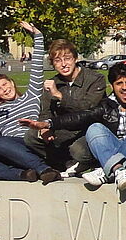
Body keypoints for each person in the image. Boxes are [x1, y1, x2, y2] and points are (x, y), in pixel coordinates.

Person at [56, 61, 126, 190]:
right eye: (119, 83)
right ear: (112, 86)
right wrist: (50, 123)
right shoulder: (106, 105)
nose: (124, 87)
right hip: (121, 164)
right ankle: (118, 170)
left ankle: (108, 170)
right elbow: (81, 117)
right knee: (94, 128)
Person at [0, 22, 63, 183]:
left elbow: (37, 66)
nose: (4, 89)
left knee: (1, 143)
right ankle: (25, 173)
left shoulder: (31, 95)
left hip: (32, 144)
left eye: (5, 84)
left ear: (11, 82)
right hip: (10, 153)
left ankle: (43, 169)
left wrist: (38, 36)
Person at [22, 39, 106, 175]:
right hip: (61, 131)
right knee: (31, 137)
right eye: (57, 61)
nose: (64, 64)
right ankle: (65, 164)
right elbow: (45, 110)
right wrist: (44, 128)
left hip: (86, 130)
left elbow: (88, 108)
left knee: (78, 151)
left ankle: (85, 163)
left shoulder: (95, 79)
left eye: (67, 59)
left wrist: (60, 96)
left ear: (75, 58)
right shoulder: (53, 82)